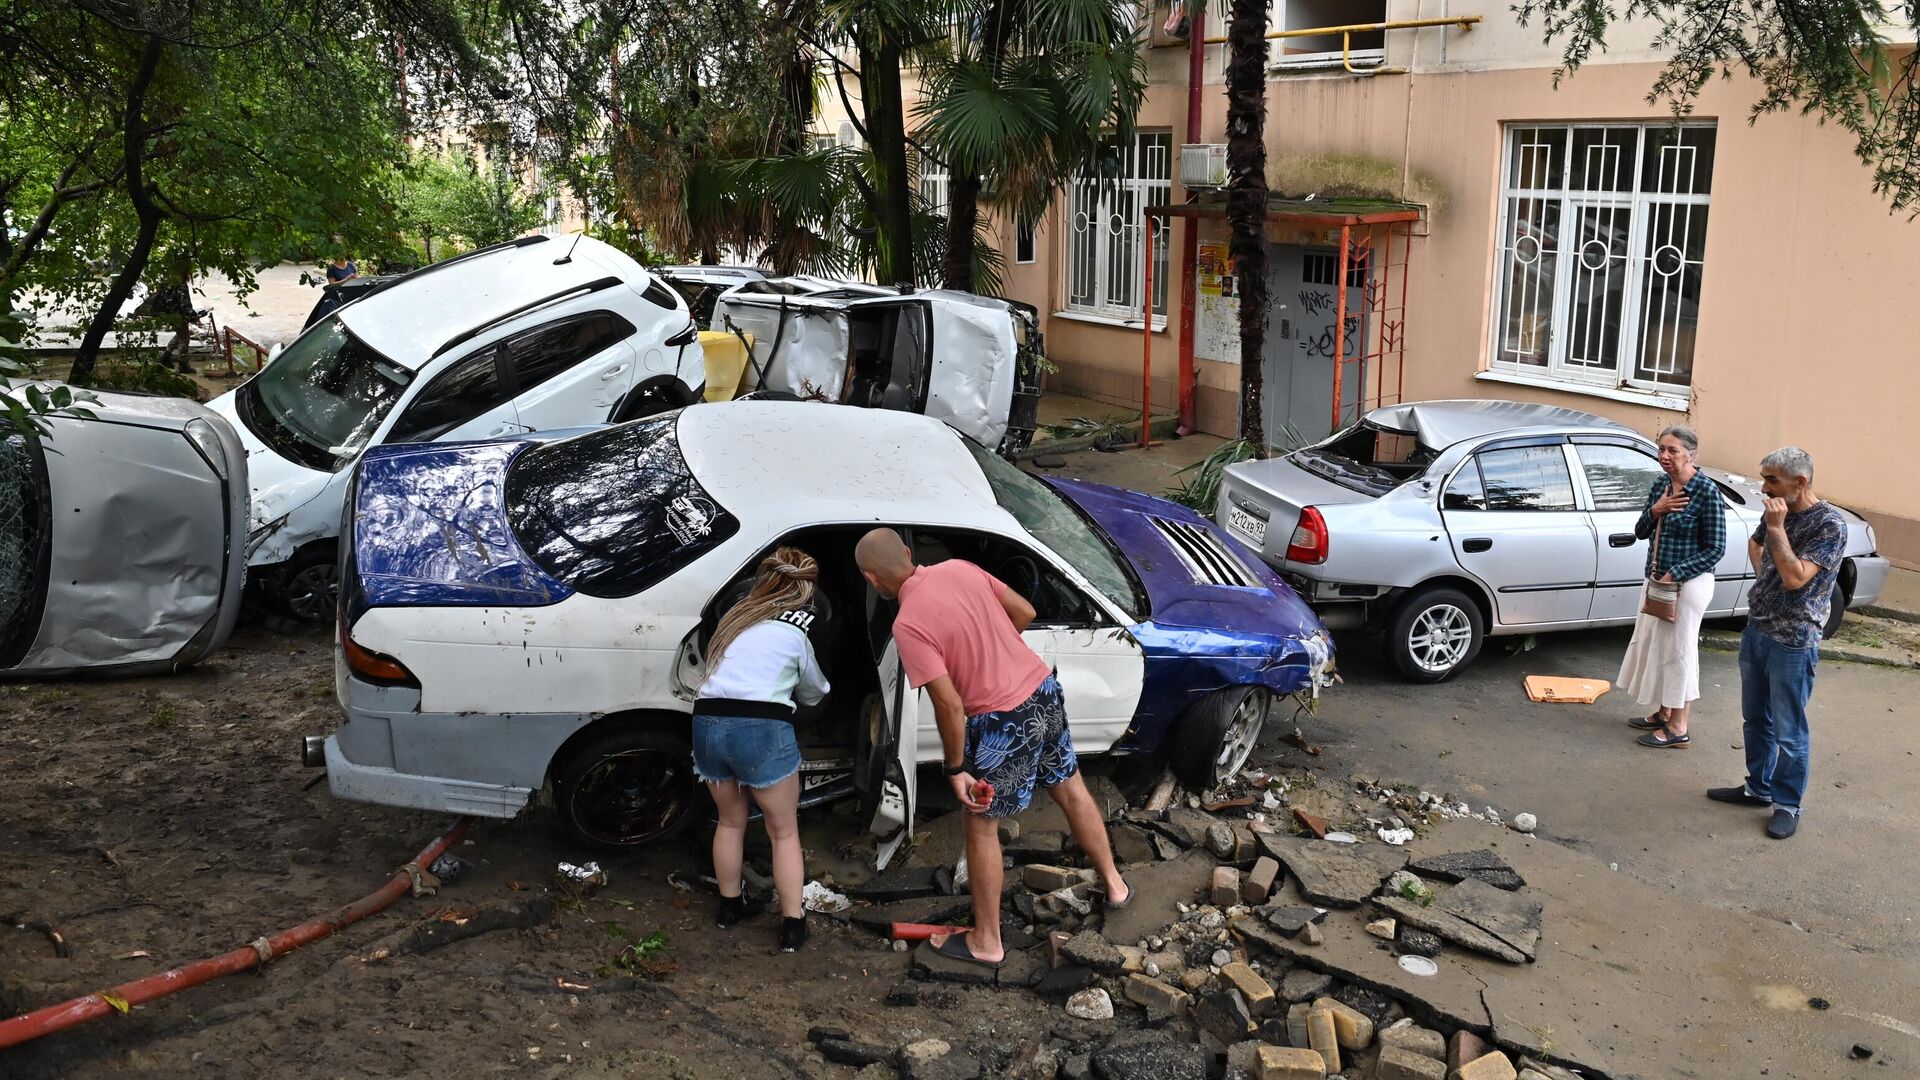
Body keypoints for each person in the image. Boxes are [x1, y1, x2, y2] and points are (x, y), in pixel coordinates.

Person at [855, 528, 1129, 966]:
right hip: (1041, 689)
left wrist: (954, 768)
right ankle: (1115, 885)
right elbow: (1025, 611)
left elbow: (949, 702)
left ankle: (987, 941)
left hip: (1004, 721)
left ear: (872, 579)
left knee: (980, 824)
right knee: (1069, 787)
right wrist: (994, 652)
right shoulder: (959, 568)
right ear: (908, 553)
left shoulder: (907, 624)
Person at [691, 546, 830, 951]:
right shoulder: (794, 635)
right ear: (805, 591)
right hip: (760, 727)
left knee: (730, 821)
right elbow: (816, 691)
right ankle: (792, 925)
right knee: (783, 831)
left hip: (707, 722)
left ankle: (729, 907)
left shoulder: (733, 623)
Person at [1707, 447, 1846, 840]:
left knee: (1789, 731)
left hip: (1794, 642)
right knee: (1756, 718)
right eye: (1764, 476)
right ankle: (1758, 787)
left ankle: (1787, 804)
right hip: (1757, 631)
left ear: (1799, 482)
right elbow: (1756, 545)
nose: (1763, 486)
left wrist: (1778, 530)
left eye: (1772, 480)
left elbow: (1796, 578)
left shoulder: (1829, 525)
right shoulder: (1774, 514)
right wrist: (1762, 577)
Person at [1619, 425, 1725, 749]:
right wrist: (1657, 509)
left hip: (1689, 586)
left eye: (1672, 450)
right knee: (1655, 646)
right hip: (1657, 580)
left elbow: (1716, 549)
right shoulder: (1660, 486)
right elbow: (1640, 531)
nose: (1664, 456)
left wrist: (1676, 572)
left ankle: (1679, 727)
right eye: (1661, 449)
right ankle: (1664, 711)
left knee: (1680, 651)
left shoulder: (1706, 491)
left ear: (1691, 454)